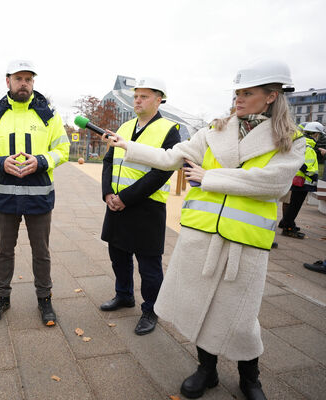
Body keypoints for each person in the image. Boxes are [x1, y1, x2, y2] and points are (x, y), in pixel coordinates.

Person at [103, 58, 304, 400]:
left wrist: (210, 178)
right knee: (200, 306)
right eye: (237, 92)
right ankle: (206, 370)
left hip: (245, 241)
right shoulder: (215, 130)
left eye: (248, 93)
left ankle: (250, 378)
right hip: (203, 234)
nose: (238, 99)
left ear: (271, 96)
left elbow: (272, 183)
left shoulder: (290, 138)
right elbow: (172, 157)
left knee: (241, 318)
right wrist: (128, 146)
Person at [0, 60, 70, 326]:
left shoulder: (48, 114)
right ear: (8, 81)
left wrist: (41, 161)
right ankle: (2, 298)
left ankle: (45, 300)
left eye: (29, 79)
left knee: (41, 252)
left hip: (39, 195)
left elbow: (63, 150)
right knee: (5, 251)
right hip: (5, 197)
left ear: (33, 83)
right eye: (19, 78)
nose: (24, 83)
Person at [99, 77, 181, 336]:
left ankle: (151, 309)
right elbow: (109, 161)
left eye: (144, 96)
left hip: (146, 206)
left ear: (159, 99)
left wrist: (126, 198)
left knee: (149, 264)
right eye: (136, 96)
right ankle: (124, 295)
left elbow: (162, 172)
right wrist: (108, 193)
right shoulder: (124, 125)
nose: (137, 100)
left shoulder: (169, 129)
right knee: (118, 256)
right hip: (116, 204)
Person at [278, 121, 324, 238]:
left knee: (293, 204)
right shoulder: (309, 146)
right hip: (303, 181)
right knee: (295, 206)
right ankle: (288, 228)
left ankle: (286, 223)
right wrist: (311, 175)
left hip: (298, 180)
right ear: (315, 134)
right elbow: (303, 164)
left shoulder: (304, 144)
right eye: (318, 135)